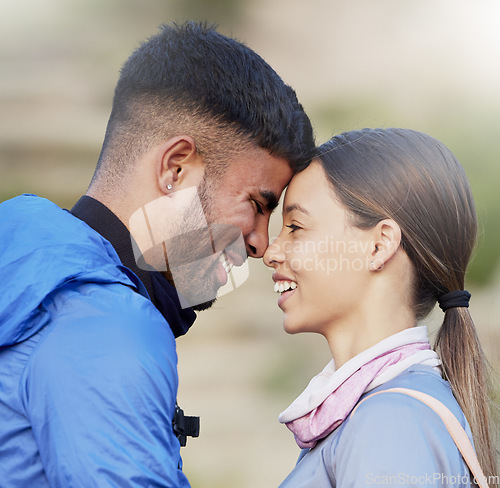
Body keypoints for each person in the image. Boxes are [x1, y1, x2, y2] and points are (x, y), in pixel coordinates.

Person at [0, 22, 314, 487]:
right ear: (176, 168)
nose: (260, 243)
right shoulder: (108, 324)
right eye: (258, 204)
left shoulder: (24, 262)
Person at [264, 128, 497, 487]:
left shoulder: (389, 423)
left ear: (379, 246)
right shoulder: (377, 413)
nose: (271, 252)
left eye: (295, 227)